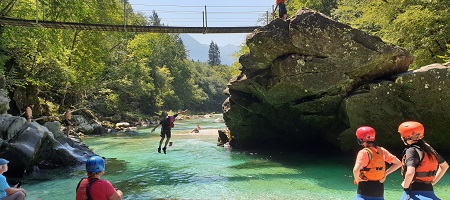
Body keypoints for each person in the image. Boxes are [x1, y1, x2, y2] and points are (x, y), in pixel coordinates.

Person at [397, 121, 448, 200]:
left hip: (413, 191)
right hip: (429, 190)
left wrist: (406, 187)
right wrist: (432, 182)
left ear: (406, 136)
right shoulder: (429, 149)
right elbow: (444, 166)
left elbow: (410, 173)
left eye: (401, 135)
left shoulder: (411, 150)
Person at [353, 126, 402, 200]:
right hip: (379, 191)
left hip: (364, 191)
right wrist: (385, 174)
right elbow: (398, 163)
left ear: (361, 140)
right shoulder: (382, 151)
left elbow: (356, 170)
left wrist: (357, 180)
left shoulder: (363, 152)